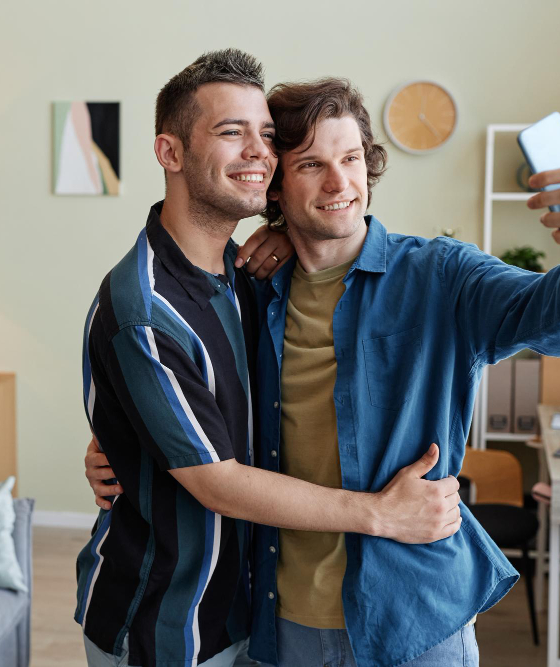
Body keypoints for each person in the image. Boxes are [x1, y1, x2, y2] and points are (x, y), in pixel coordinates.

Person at [90, 75, 560, 666]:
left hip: (413, 624)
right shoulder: (252, 290)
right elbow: (194, 391)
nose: (340, 183)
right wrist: (127, 442)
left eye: (352, 158)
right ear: (275, 188)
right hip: (274, 624)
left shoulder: (441, 276)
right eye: (311, 165)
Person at [78, 50, 462, 667]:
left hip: (249, 614)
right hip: (166, 625)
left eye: (264, 135)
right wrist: (381, 516)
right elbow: (217, 481)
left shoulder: (250, 278)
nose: (258, 150)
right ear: (170, 153)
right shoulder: (143, 308)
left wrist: (288, 231)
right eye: (232, 132)